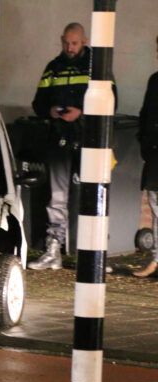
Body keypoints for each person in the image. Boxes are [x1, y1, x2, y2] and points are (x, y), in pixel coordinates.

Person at [28, 22, 116, 270]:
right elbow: (37, 103)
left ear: (84, 41)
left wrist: (80, 113)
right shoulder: (52, 68)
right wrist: (51, 111)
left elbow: (111, 102)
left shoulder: (97, 68)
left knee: (94, 197)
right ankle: (54, 250)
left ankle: (95, 256)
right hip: (59, 140)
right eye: (66, 42)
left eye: (74, 43)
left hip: (90, 141)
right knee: (56, 198)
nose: (69, 47)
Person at [134, 35, 158, 277]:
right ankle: (156, 259)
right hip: (154, 155)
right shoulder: (155, 81)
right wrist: (145, 140)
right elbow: (146, 114)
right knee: (156, 206)